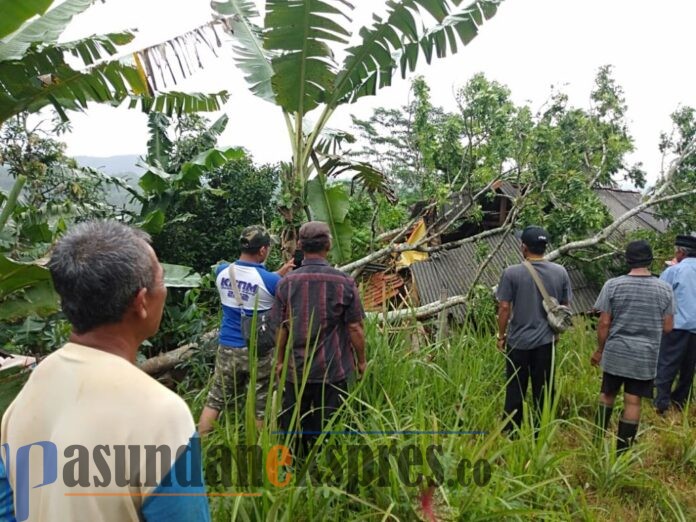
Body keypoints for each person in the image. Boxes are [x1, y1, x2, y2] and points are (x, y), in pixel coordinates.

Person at [0, 221, 209, 521]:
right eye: (161, 280)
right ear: (141, 303)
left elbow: (7, 511)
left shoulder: (31, 389)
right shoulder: (161, 414)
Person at [271, 221, 367, 454]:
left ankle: (293, 469)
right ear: (328, 245)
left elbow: (282, 327)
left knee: (293, 424)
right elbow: (355, 327)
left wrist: (280, 359)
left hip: (297, 370)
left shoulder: (286, 283)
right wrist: (361, 360)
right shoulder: (343, 281)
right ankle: (326, 471)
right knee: (331, 426)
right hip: (333, 369)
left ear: (301, 246)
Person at [198, 225, 293, 435]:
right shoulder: (272, 282)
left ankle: (199, 447)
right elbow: (266, 289)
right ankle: (259, 449)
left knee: (215, 399)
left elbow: (246, 283)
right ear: (262, 251)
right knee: (261, 404)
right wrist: (281, 275)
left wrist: (279, 272)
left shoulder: (221, 271)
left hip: (227, 346)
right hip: (258, 350)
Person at [590, 240, 674, 454]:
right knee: (633, 401)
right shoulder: (664, 289)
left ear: (627, 260)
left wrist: (600, 350)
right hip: (645, 355)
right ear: (650, 260)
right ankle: (622, 451)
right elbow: (668, 327)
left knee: (607, 394)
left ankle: (596, 441)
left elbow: (604, 323)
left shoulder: (613, 285)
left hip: (616, 352)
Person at [496, 226, 572, 433]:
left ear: (523, 247)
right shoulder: (560, 272)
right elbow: (565, 306)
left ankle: (511, 433)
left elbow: (504, 308)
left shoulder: (511, 273)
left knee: (515, 389)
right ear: (545, 247)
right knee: (545, 388)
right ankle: (541, 431)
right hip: (547, 342)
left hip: (518, 342)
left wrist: (501, 336)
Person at [654, 234, 696, 414]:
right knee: (689, 367)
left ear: (680, 252)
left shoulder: (674, 271)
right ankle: (680, 402)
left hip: (677, 326)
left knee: (667, 364)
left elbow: (659, 295)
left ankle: (661, 403)